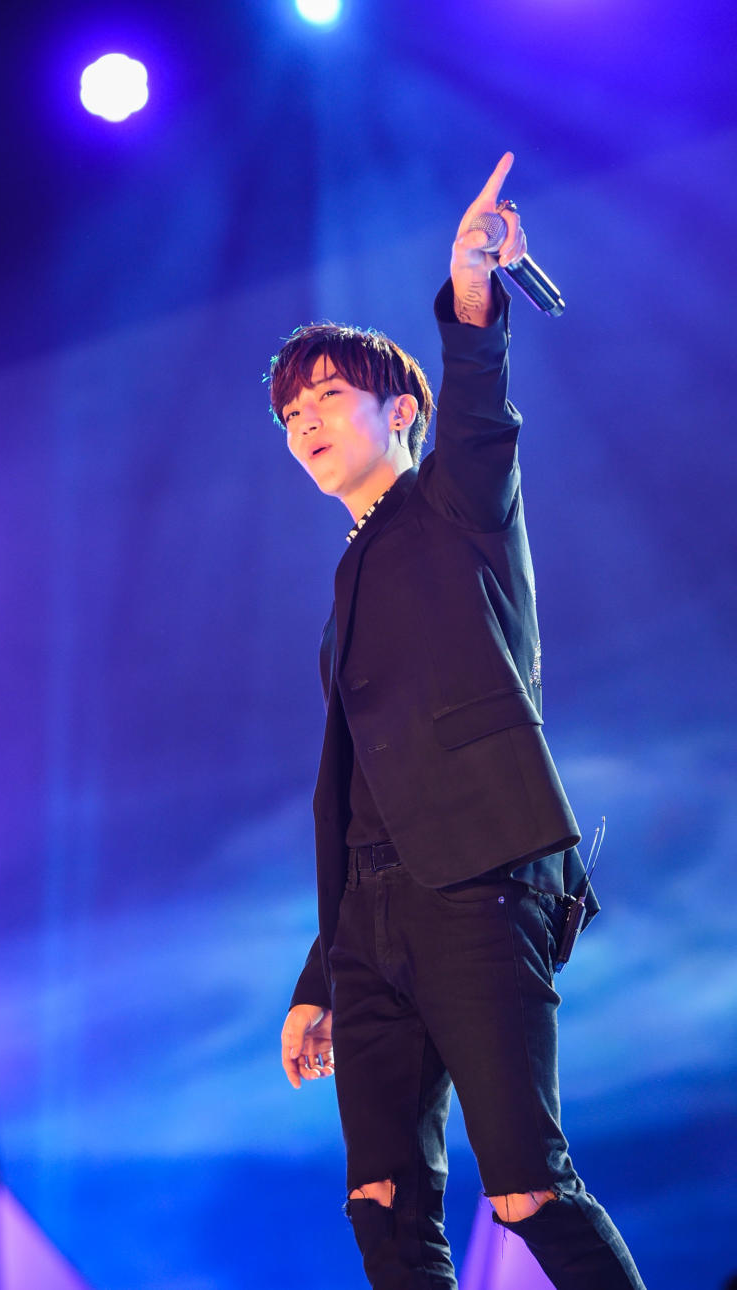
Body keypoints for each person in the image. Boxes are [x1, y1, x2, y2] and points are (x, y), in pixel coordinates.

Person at [269, 154, 646, 1289]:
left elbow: (480, 400)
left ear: (402, 410)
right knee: (383, 1202)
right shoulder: (347, 582)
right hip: (372, 917)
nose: (306, 421)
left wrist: (472, 286)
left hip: (481, 879)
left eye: (331, 395)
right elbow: (364, 790)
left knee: (525, 1184)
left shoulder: (457, 504)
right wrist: (319, 970)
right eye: (292, 409)